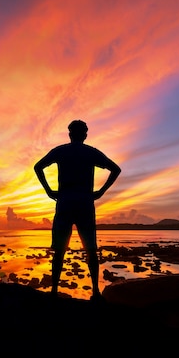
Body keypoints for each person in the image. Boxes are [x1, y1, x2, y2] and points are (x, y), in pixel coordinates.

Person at [34, 119, 121, 300]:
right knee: (90, 248)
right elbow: (115, 169)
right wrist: (101, 192)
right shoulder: (91, 153)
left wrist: (48, 190)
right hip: (84, 202)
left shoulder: (61, 151)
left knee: (60, 249)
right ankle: (95, 291)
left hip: (65, 201)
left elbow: (38, 167)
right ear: (85, 134)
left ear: (70, 134)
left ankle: (54, 291)